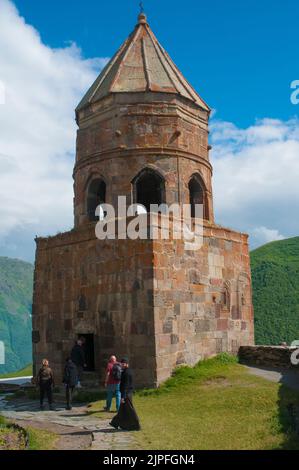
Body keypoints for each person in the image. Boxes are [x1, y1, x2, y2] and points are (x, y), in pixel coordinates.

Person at [109, 357, 140, 431]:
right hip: (127, 393)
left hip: (126, 394)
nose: (122, 365)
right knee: (122, 410)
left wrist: (123, 397)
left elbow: (125, 386)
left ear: (127, 364)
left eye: (123, 364)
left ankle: (136, 425)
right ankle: (115, 423)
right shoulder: (127, 371)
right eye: (121, 364)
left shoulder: (126, 373)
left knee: (130, 410)